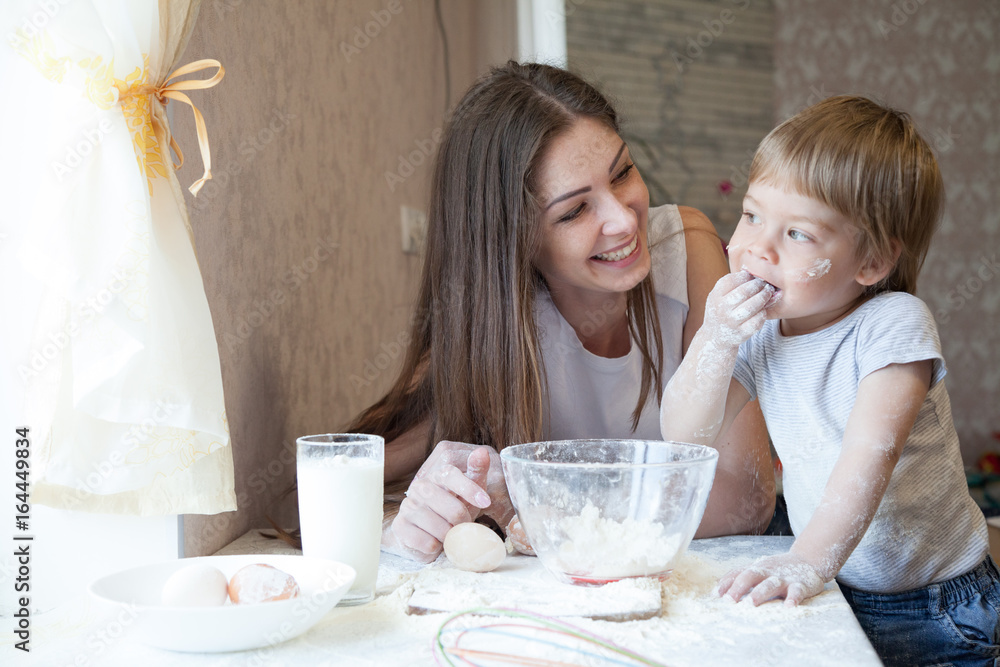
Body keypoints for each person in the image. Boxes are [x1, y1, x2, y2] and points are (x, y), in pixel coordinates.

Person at [347, 61, 774, 563]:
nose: (622, 220)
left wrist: (540, 504)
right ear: (513, 241)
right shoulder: (496, 326)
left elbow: (746, 500)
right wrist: (399, 529)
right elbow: (329, 482)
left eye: (622, 174)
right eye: (574, 211)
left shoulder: (686, 248)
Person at [659, 95, 1000, 666]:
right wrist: (715, 340)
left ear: (870, 262)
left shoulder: (892, 325)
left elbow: (869, 459)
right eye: (751, 215)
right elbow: (685, 436)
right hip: (839, 585)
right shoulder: (765, 335)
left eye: (798, 235)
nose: (756, 248)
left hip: (935, 607)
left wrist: (807, 561)